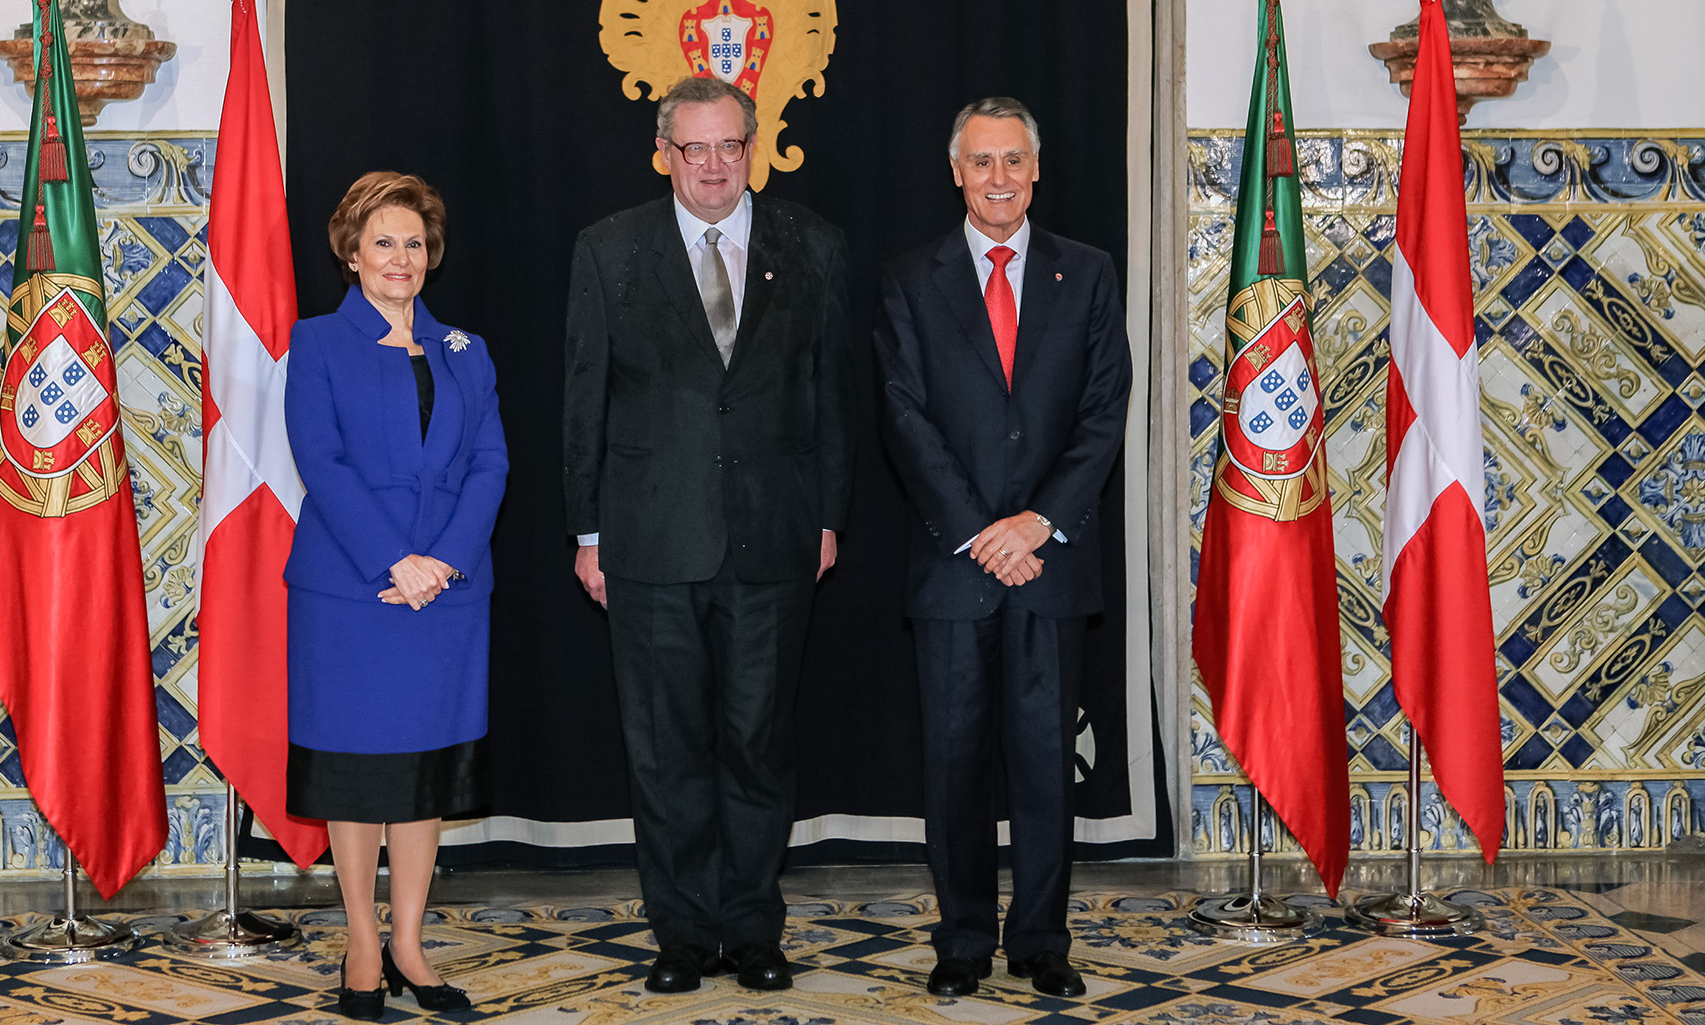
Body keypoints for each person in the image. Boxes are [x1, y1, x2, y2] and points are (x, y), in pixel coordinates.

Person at [562, 74, 853, 994]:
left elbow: (833, 397)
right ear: (665, 155)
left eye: (731, 145)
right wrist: (588, 531)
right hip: (649, 543)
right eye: (695, 148)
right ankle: (683, 934)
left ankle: (754, 930)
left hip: (774, 540)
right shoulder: (609, 249)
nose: (715, 165)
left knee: (759, 744)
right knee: (666, 748)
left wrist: (828, 517)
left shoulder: (814, 244)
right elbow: (583, 401)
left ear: (752, 145)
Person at [873, 98, 1132, 1000]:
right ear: (956, 173)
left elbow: (1103, 412)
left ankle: (1041, 940)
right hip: (955, 567)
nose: (997, 179)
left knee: (1042, 768)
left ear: (1035, 170)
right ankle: (962, 941)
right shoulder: (913, 278)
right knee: (953, 768)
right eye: (981, 163)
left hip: (1051, 562)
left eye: (1013, 161)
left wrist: (1039, 524)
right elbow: (904, 417)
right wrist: (984, 532)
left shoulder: (1088, 273)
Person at [283, 172, 508, 1020]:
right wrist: (394, 563)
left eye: (414, 242)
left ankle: (410, 942)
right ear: (351, 254)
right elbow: (322, 462)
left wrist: (442, 561)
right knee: (357, 780)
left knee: (421, 777)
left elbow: (491, 462)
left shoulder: (466, 351)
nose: (400, 257)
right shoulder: (315, 344)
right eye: (383, 241)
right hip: (352, 594)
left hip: (446, 596)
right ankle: (362, 944)